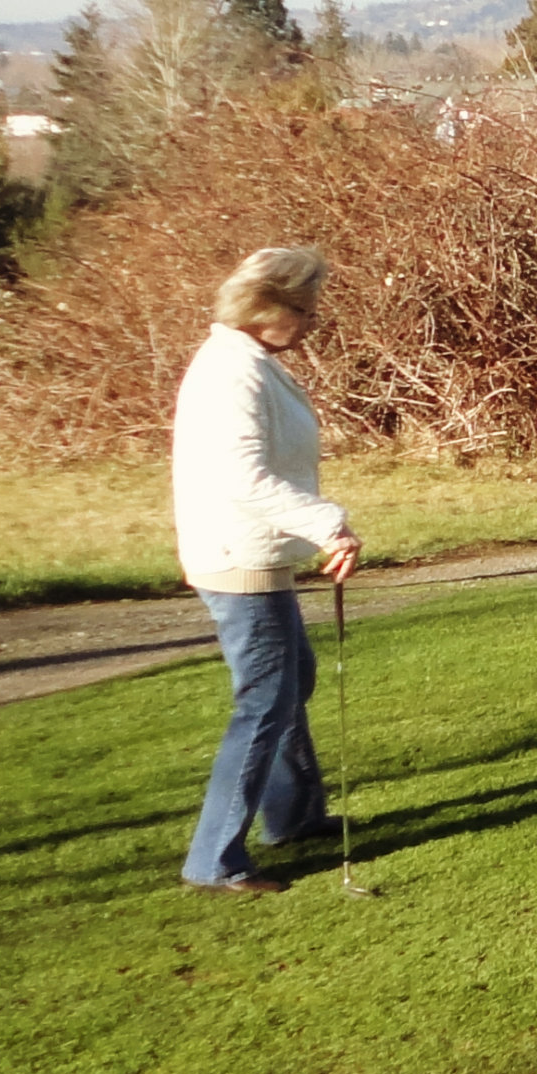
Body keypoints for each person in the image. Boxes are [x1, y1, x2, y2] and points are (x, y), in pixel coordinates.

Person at [169, 244, 362, 895]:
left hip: (255, 554)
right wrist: (327, 524)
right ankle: (214, 861)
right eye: (304, 310)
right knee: (264, 703)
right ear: (266, 307)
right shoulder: (233, 373)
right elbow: (242, 477)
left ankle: (294, 815)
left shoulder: (250, 361)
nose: (312, 321)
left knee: (291, 680)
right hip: (237, 559)